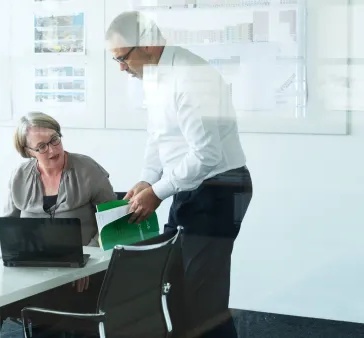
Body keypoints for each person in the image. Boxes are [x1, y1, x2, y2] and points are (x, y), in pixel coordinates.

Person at [106, 12, 254, 338]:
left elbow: (206, 154)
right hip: (191, 186)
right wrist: (147, 179)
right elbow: (160, 137)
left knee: (204, 298)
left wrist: (158, 192)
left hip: (219, 188)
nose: (120, 67)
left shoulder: (190, 77)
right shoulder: (155, 75)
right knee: (171, 285)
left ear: (146, 44)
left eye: (121, 58)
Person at [0, 111, 117, 337]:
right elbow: (11, 220)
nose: (53, 150)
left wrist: (89, 260)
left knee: (49, 318)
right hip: (31, 267)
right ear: (28, 151)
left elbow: (112, 220)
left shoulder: (88, 169)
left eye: (55, 140)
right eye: (42, 146)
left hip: (81, 271)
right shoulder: (19, 175)